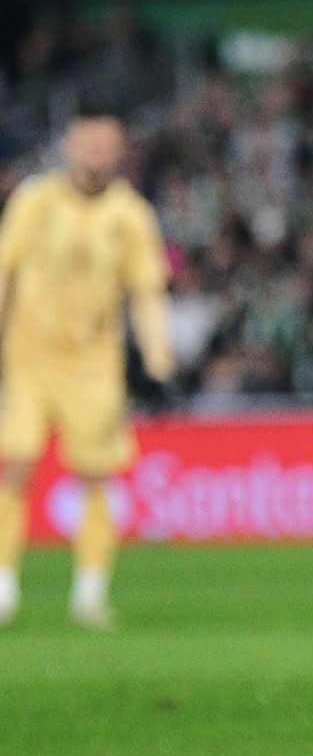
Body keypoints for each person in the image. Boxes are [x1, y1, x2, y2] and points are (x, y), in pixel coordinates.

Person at [0, 112, 173, 628]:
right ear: (71, 144)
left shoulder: (132, 216)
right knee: (16, 468)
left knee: (97, 477)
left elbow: (145, 293)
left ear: (119, 150)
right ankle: (4, 589)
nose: (96, 151)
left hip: (95, 364)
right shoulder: (35, 201)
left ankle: (90, 594)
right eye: (88, 141)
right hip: (29, 356)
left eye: (106, 143)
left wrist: (159, 362)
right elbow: (4, 269)